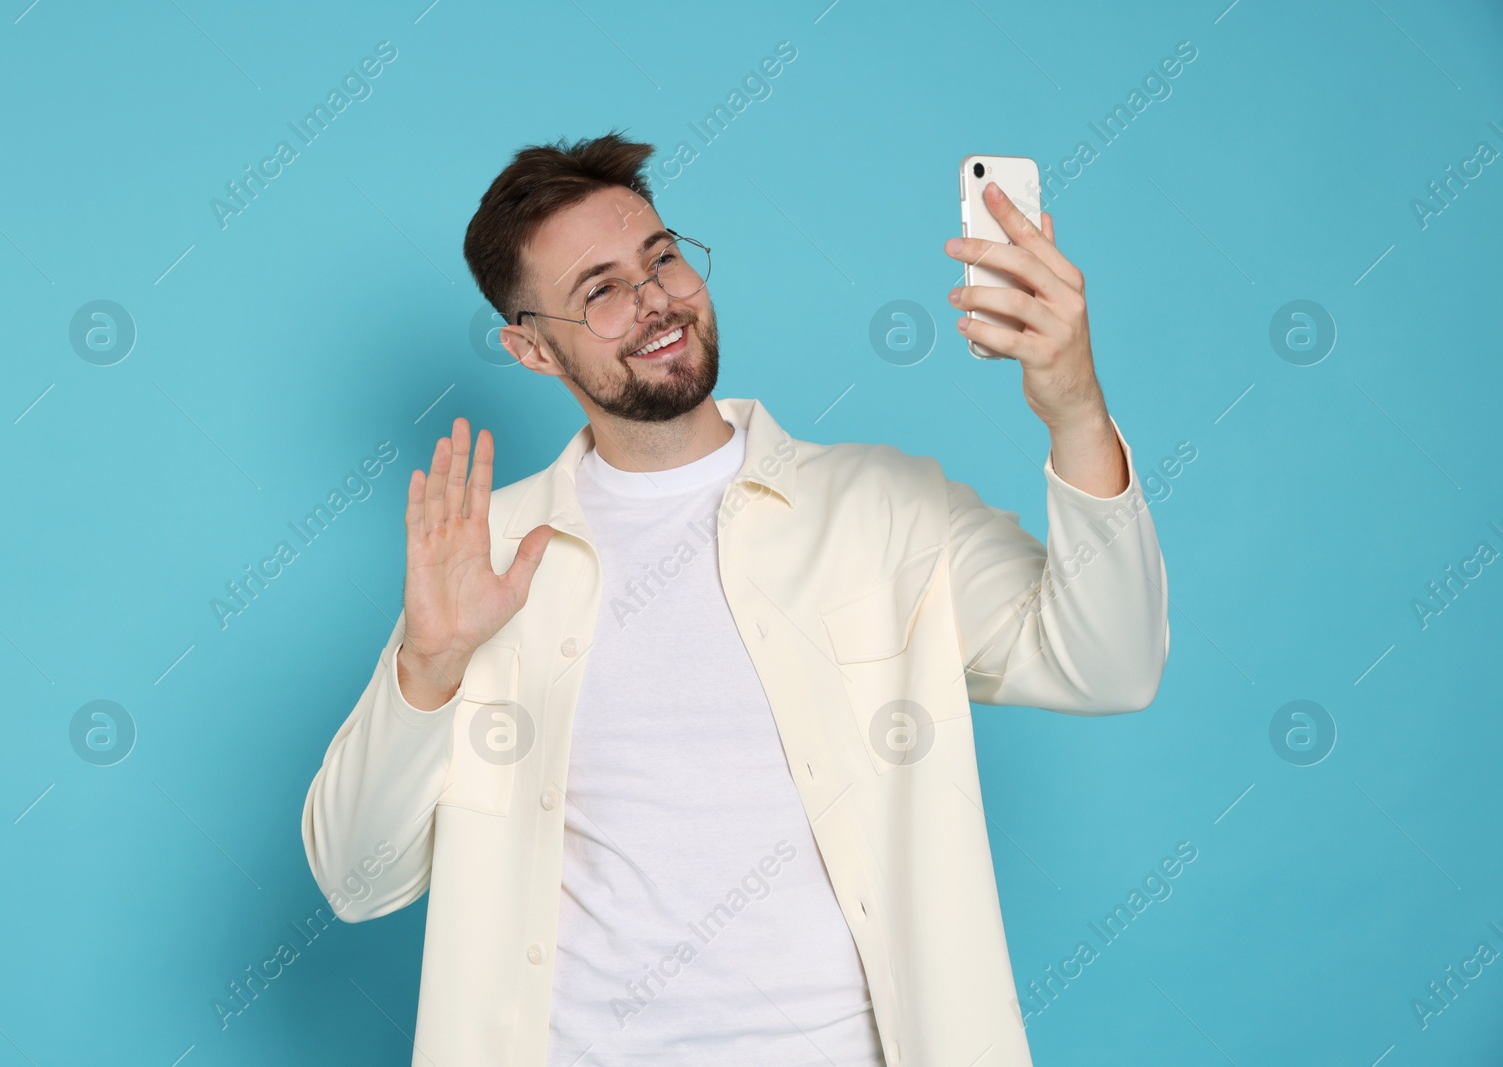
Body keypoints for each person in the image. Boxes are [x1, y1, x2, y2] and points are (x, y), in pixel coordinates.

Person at [301, 131, 1169, 1067]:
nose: (656, 302)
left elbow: (1112, 666)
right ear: (533, 350)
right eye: (600, 291)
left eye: (662, 258)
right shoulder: (487, 558)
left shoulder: (885, 506)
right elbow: (357, 880)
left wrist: (1074, 408)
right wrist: (428, 667)